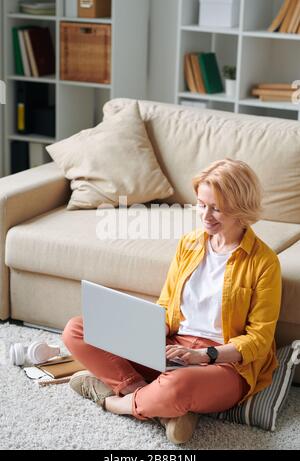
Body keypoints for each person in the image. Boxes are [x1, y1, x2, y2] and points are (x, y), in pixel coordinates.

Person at [62, 158, 282, 444]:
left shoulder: (264, 262)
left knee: (178, 386)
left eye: (216, 208)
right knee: (77, 329)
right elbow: (168, 305)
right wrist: (145, 332)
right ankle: (159, 406)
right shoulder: (189, 244)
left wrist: (205, 356)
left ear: (240, 209)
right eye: (202, 204)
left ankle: (113, 401)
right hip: (174, 347)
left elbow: (259, 340)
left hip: (222, 364)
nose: (205, 215)